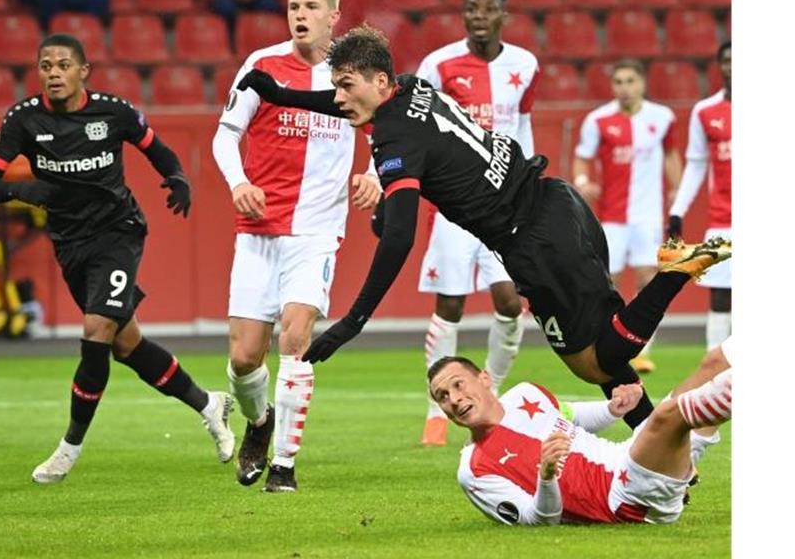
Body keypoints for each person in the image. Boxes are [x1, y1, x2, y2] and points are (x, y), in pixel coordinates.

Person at [237, 25, 730, 431]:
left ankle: (671, 276)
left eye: (348, 84)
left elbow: (401, 237)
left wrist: (353, 322)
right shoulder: (412, 84)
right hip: (560, 202)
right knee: (607, 356)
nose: (340, 96)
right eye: (337, 84)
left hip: (532, 244)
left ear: (381, 82)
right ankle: (660, 460)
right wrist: (281, 95)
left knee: (595, 362)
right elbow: (346, 106)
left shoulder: (392, 141)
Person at [0, 33, 234, 484]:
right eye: (46, 66)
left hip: (118, 233)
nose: (53, 73)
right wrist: (25, 189)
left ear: (82, 71)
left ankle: (68, 449)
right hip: (71, 244)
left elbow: (155, 147)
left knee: (96, 331)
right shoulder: (24, 119)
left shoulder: (114, 111)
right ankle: (208, 404)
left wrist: (176, 177)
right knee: (125, 344)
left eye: (63, 65)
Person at [212, 0, 380, 493]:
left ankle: (284, 465)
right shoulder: (261, 65)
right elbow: (225, 136)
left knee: (296, 336)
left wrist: (375, 174)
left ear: (333, 16)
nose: (299, 14)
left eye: (310, 6)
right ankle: (258, 423)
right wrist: (238, 182)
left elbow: (382, 129)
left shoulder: (349, 74)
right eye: (292, 5)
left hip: (316, 229)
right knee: (243, 359)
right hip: (258, 227)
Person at [412, 0, 539, 446]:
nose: (479, 15)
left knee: (510, 303)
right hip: (454, 202)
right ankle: (435, 411)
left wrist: (530, 180)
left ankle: (491, 391)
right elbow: (416, 123)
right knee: (451, 304)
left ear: (504, 14)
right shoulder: (438, 65)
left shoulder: (525, 65)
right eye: (470, 8)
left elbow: (522, 124)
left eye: (488, 8)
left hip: (503, 204)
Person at [428, 338, 731, 525]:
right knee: (668, 416)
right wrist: (545, 477)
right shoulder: (474, 470)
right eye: (442, 396)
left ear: (483, 378)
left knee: (715, 363)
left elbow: (570, 416)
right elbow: (537, 522)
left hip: (630, 455)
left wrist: (614, 408)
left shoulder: (524, 394)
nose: (454, 399)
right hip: (623, 497)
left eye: (458, 385)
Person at [573, 59, 682, 374]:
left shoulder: (661, 118)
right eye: (618, 81)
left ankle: (641, 348)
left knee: (650, 279)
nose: (624, 87)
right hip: (612, 215)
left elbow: (671, 154)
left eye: (630, 81)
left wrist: (677, 189)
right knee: (609, 282)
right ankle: (607, 343)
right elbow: (582, 159)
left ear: (642, 83)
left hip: (647, 215)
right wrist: (582, 183)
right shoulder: (598, 120)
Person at [668, 42, 732, 350]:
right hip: (722, 221)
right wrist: (678, 210)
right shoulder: (705, 111)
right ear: (720, 67)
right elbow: (695, 165)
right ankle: (713, 370)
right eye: (727, 61)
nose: (733, 67)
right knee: (720, 295)